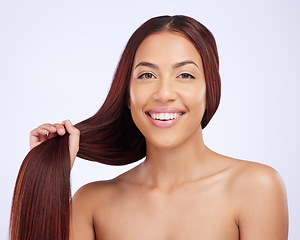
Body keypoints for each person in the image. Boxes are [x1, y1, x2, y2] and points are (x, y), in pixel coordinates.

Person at [10, 15, 288, 240]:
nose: (164, 93)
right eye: (146, 75)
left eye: (185, 75)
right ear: (128, 96)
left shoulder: (256, 187)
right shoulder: (92, 203)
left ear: (210, 91)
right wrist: (46, 176)